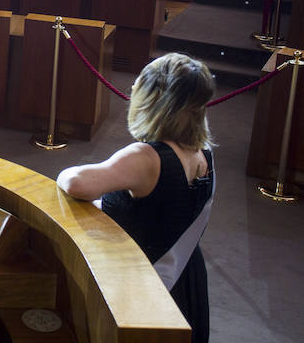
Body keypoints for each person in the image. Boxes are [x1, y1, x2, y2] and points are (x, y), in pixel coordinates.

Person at [57, 52, 215, 343]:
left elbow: (77, 183)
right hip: (186, 281)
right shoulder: (203, 153)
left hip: (145, 285)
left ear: (153, 100)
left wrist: (65, 172)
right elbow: (161, 211)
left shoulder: (146, 158)